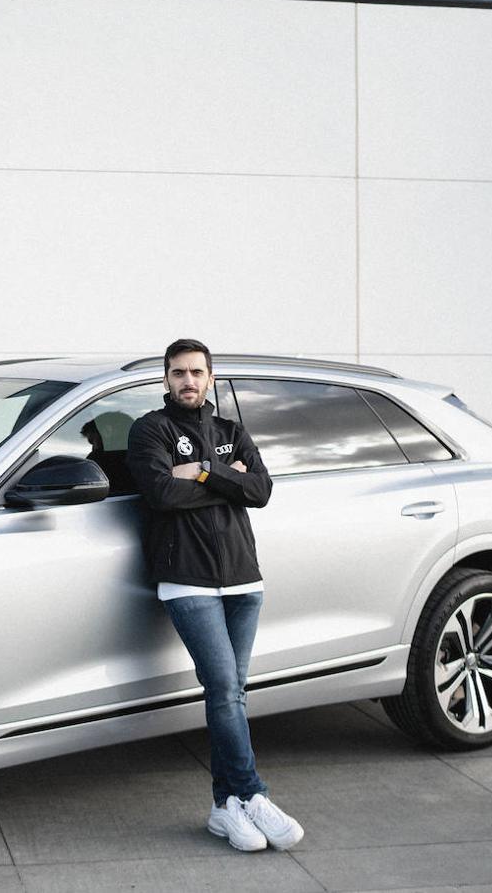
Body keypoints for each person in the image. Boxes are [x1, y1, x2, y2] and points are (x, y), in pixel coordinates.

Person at [125, 338, 304, 852]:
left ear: (210, 377)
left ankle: (224, 808)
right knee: (224, 688)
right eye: (178, 372)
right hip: (187, 579)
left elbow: (262, 491)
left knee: (232, 693)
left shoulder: (231, 430)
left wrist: (203, 471)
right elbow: (161, 492)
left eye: (196, 372)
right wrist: (230, 480)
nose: (187, 380)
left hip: (245, 579)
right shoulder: (150, 430)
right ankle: (251, 793)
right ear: (165, 379)